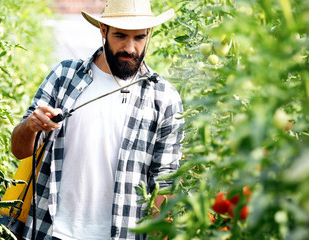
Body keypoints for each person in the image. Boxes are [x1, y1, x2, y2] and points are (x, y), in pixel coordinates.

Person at [10, 0, 184, 239]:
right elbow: (19, 150)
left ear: (149, 34)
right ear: (103, 30)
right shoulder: (64, 77)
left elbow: (164, 182)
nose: (130, 48)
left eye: (139, 38)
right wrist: (30, 126)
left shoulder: (163, 98)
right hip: (51, 231)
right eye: (121, 36)